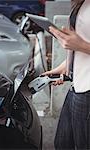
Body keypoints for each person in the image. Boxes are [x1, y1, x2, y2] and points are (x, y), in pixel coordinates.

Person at [42, 0, 90, 149]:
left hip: (87, 90)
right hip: (77, 84)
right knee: (62, 143)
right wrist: (64, 68)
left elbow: (82, 45)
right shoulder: (81, 3)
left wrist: (81, 45)